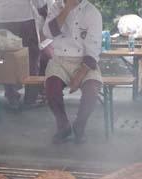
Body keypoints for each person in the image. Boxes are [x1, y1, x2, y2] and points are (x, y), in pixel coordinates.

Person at [42, 0, 102, 143]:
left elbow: (94, 48)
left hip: (84, 60)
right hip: (60, 59)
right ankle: (63, 125)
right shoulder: (56, 7)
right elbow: (48, 33)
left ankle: (80, 124)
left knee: (92, 89)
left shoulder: (92, 12)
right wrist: (67, 8)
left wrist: (80, 75)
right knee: (51, 88)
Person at [0, 0, 48, 108]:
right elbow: (40, 3)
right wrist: (43, 9)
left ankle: (12, 96)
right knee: (32, 58)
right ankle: (31, 98)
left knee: (7, 58)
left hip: (2, 18)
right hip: (25, 19)